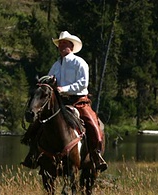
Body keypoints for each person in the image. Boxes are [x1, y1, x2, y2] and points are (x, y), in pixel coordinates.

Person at [21, 31, 107, 172]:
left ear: (71, 46)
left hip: (78, 101)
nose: (61, 46)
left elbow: (83, 84)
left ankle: (96, 154)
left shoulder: (80, 63)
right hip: (59, 101)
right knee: (37, 124)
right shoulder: (56, 65)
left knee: (93, 123)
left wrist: (64, 89)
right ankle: (33, 154)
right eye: (60, 44)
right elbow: (49, 81)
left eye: (64, 44)